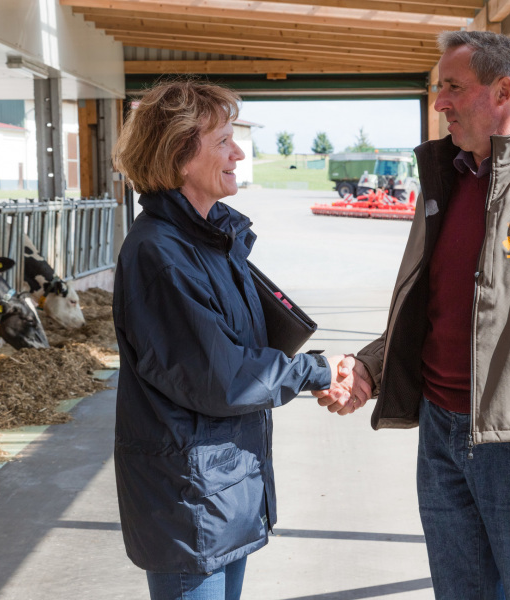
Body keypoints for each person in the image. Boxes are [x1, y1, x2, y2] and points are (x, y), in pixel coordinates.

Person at [315, 31, 510, 599]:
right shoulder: (447, 177)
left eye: (453, 88)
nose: (440, 103)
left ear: (502, 91)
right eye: (439, 89)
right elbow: (431, 309)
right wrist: (369, 367)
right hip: (440, 431)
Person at [111, 81, 369, 600]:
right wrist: (319, 370)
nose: (239, 152)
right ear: (180, 154)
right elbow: (222, 376)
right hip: (190, 500)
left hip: (219, 486)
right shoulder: (161, 254)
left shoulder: (209, 239)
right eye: (223, 140)